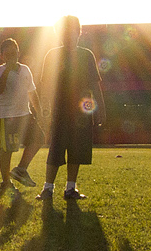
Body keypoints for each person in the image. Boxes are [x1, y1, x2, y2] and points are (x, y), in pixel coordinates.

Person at [37, 16, 104, 201]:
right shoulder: (52, 55)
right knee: (56, 149)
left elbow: (95, 85)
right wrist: (44, 111)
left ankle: (70, 189)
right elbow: (46, 87)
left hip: (82, 112)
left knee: (77, 150)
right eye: (63, 32)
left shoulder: (86, 55)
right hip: (59, 112)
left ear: (79, 32)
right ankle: (48, 188)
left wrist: (101, 108)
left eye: (72, 31)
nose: (68, 35)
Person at [0, 38, 39, 198]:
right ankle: (6, 182)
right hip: (5, 115)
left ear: (19, 52)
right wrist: (7, 70)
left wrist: (39, 112)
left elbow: (32, 91)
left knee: (39, 137)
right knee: (7, 149)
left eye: (15, 52)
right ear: (2, 56)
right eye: (8, 54)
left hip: (24, 114)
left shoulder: (25, 69)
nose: (12, 56)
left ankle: (21, 169)